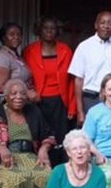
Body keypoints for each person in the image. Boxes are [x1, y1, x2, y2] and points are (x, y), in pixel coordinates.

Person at [69, 11, 111, 125]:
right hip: (91, 99)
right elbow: (78, 79)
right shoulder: (84, 46)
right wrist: (80, 111)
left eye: (110, 23)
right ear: (96, 25)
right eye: (103, 23)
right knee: (90, 136)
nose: (106, 26)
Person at [23, 16, 75, 144]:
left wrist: (72, 107)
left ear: (57, 31)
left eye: (53, 28)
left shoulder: (66, 50)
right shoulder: (29, 51)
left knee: (60, 137)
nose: (49, 31)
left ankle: (59, 163)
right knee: (40, 135)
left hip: (60, 101)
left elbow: (72, 81)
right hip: (37, 101)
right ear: (39, 30)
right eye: (45, 28)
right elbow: (23, 76)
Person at [0, 22, 34, 98]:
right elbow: (0, 87)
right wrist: (25, 91)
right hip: (10, 103)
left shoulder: (17, 56)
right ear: (3, 38)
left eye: (19, 34)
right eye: (11, 34)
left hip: (22, 100)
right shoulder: (2, 56)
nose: (16, 37)